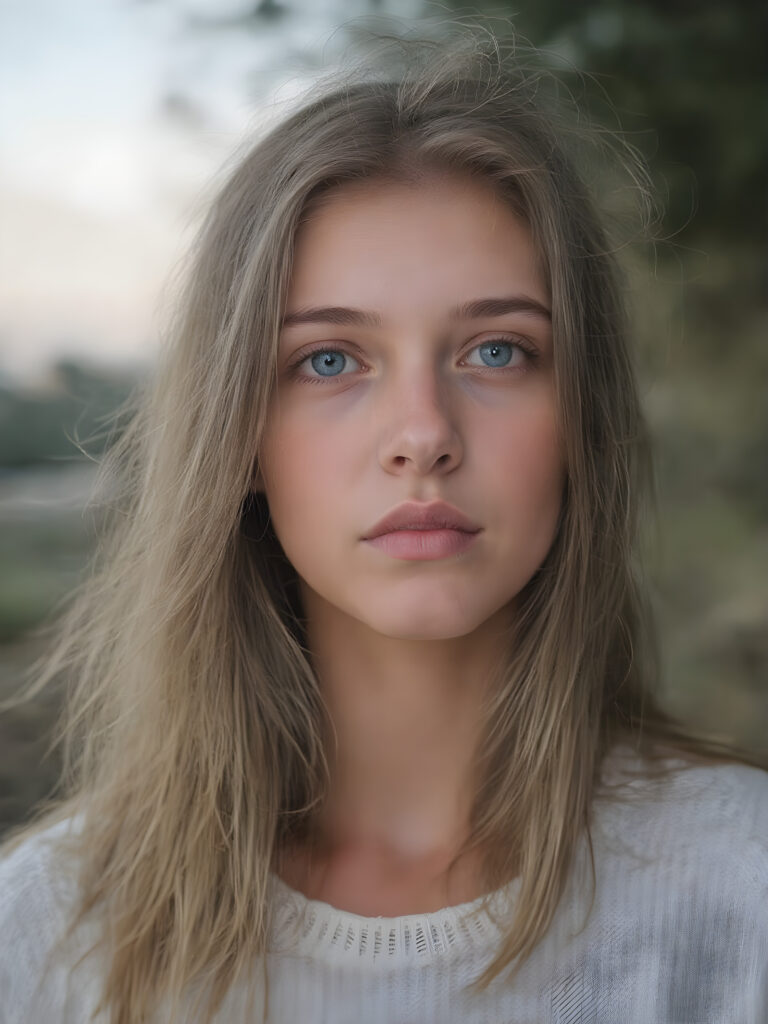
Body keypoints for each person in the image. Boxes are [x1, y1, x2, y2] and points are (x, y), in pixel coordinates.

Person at [0, 30, 766, 1024]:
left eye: (498, 350)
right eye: (328, 360)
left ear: (586, 420)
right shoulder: (49, 932)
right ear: (237, 438)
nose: (423, 434)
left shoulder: (741, 888)